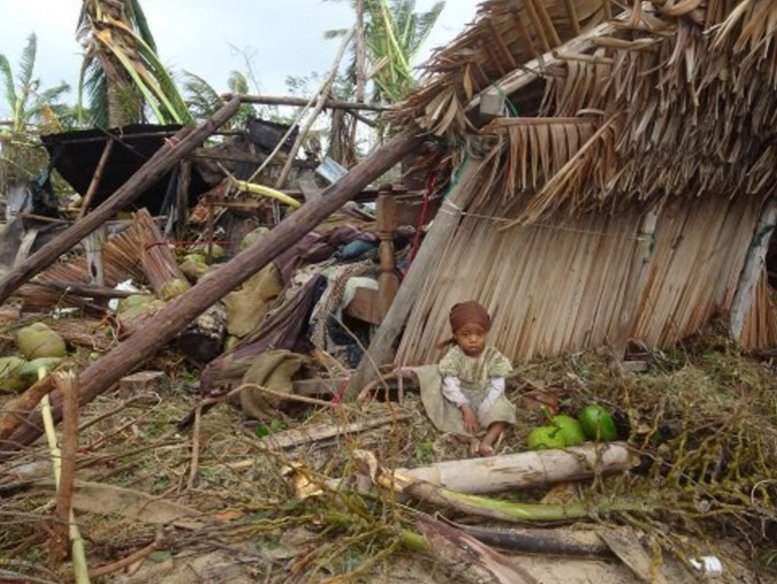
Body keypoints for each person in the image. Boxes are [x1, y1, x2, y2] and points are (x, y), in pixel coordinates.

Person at [438, 300, 516, 456]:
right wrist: (466, 409)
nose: (473, 339)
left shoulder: (492, 356)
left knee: (503, 411)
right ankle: (470, 440)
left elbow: (498, 385)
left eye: (478, 334)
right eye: (465, 334)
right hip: (461, 397)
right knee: (447, 416)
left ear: (485, 333)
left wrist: (485, 408)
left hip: (487, 395)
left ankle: (487, 441)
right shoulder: (455, 356)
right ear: (455, 335)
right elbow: (450, 384)